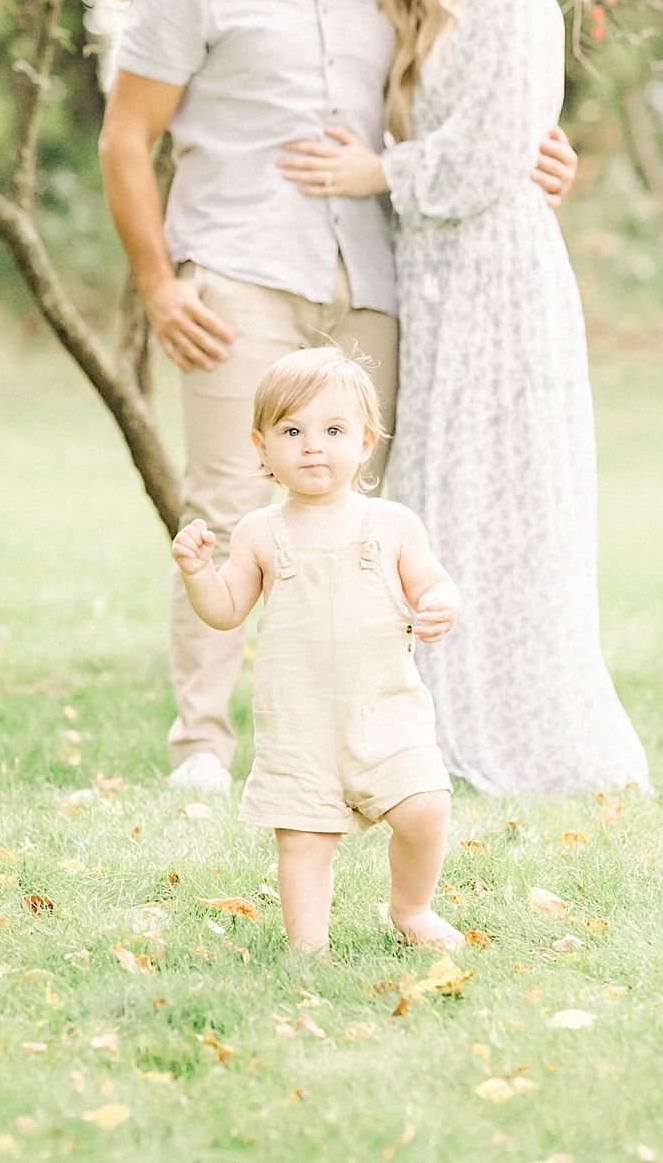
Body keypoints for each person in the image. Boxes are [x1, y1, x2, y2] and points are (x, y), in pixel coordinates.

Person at [99, 0, 576, 794]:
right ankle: (203, 747)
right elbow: (125, 138)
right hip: (242, 274)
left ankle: (360, 730)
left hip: (373, 284)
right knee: (232, 506)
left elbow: (454, 100)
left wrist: (536, 147)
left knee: (362, 521)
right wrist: (158, 283)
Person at [271, 0, 650, 796]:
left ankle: (539, 732)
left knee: (518, 502)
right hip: (432, 293)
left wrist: (378, 171)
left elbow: (492, 152)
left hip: (503, 281)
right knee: (441, 502)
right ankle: (420, 727)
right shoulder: (404, 24)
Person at [171, 346, 464, 951]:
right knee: (304, 842)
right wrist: (199, 572)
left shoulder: (393, 524)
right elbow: (226, 612)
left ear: (364, 444)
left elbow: (432, 582)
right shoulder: (259, 533)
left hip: (386, 711)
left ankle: (411, 908)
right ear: (262, 447)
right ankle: (308, 947)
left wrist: (441, 603)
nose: (312, 446)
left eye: (333, 430)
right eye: (292, 431)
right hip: (300, 723)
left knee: (426, 808)